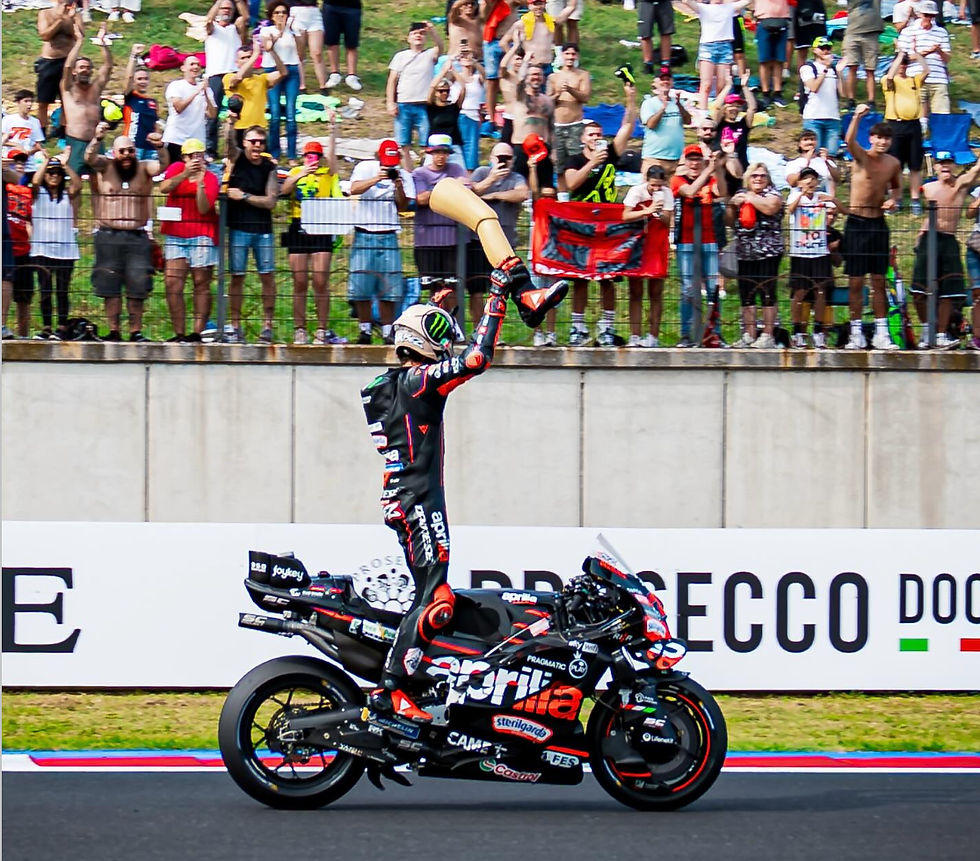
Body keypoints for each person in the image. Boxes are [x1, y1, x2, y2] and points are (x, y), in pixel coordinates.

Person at [361, 193, 563, 723]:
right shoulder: (414, 381)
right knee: (436, 600)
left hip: (411, 498)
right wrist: (496, 295)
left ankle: (413, 678)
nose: (444, 347)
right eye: (438, 339)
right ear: (418, 341)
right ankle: (393, 689)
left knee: (436, 597)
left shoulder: (398, 384)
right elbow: (476, 358)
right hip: (418, 501)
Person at [563, 80, 638, 346]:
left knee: (608, 279)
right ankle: (578, 327)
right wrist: (591, 164)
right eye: (591, 135)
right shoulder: (574, 158)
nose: (596, 138)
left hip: (608, 226)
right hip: (582, 225)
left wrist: (630, 99)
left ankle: (607, 327)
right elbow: (570, 184)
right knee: (581, 279)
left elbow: (627, 127)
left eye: (598, 134)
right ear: (583, 138)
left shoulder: (610, 154)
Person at [84, 125, 168, 341]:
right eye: (122, 151)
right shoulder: (106, 166)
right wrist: (97, 138)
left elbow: (162, 166)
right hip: (108, 235)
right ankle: (114, 330)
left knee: (138, 285)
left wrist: (160, 147)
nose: (127, 155)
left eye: (130, 150)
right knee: (108, 285)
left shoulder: (144, 168)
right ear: (114, 152)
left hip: (136, 236)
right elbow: (90, 159)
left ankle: (135, 331)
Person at [842, 103, 901, 351]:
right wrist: (856, 116)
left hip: (878, 223)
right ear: (872, 138)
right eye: (879, 138)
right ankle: (856, 332)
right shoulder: (862, 156)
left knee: (878, 280)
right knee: (856, 281)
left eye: (887, 139)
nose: (883, 142)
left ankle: (882, 332)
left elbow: (897, 188)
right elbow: (848, 140)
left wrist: (894, 200)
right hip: (856, 222)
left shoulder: (893, 164)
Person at [347, 138, 416, 345]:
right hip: (364, 232)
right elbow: (354, 189)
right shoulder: (365, 168)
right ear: (378, 157)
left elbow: (403, 206)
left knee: (390, 286)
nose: (389, 167)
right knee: (361, 285)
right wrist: (376, 179)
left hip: (388, 233)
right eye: (386, 163)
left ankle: (388, 331)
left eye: (392, 163)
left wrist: (398, 186)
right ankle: (364, 330)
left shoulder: (403, 175)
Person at [280, 133, 344, 345]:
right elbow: (284, 190)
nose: (312, 160)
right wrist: (300, 174)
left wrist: (333, 129)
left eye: (316, 156)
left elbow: (334, 160)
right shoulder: (296, 172)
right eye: (308, 156)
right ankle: (300, 328)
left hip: (321, 224)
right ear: (303, 158)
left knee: (320, 280)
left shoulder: (327, 174)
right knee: (299, 281)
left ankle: (321, 329)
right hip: (298, 224)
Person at [910, 153, 980, 349]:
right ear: (936, 166)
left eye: (948, 163)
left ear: (954, 166)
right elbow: (930, 214)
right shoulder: (929, 187)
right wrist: (919, 237)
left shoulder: (960, 185)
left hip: (949, 239)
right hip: (929, 237)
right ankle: (926, 331)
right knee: (919, 290)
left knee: (949, 291)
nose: (945, 167)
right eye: (941, 164)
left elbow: (975, 170)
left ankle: (941, 334)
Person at [158, 138, 219, 343]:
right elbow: (164, 188)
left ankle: (197, 332)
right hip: (176, 232)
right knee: (172, 283)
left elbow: (204, 208)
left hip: (202, 232)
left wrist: (200, 183)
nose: (196, 159)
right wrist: (186, 174)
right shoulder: (176, 168)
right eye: (192, 156)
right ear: (184, 157)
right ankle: (180, 332)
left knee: (201, 283)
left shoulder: (210, 177)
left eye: (199, 155)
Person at [224, 124, 280, 343]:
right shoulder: (237, 159)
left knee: (267, 276)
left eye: (261, 142)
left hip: (262, 230)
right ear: (245, 143)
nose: (257, 146)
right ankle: (235, 325)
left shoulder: (269, 168)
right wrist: (230, 122)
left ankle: (268, 325)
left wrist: (244, 196)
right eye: (252, 141)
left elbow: (271, 201)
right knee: (237, 277)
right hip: (238, 228)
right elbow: (228, 144)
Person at [466, 142, 528, 327]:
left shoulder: (516, 177)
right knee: (477, 289)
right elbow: (470, 192)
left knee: (501, 290)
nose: (503, 162)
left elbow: (522, 194)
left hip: (505, 244)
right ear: (491, 158)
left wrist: (494, 196)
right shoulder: (482, 172)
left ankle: (493, 330)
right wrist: (491, 180)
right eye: (499, 157)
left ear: (513, 160)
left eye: (507, 158)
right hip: (479, 240)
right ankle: (478, 329)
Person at [671, 144, 727, 347]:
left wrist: (718, 169)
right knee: (688, 289)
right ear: (685, 162)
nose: (694, 163)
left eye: (698, 159)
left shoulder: (710, 178)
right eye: (691, 159)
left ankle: (714, 332)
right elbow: (690, 191)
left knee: (713, 288)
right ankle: (687, 333)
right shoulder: (678, 180)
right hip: (686, 241)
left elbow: (720, 191)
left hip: (709, 240)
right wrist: (708, 171)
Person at [726, 162, 785, 348]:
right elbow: (728, 221)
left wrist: (748, 198)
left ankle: (768, 334)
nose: (758, 178)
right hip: (745, 252)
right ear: (748, 178)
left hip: (768, 252)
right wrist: (731, 205)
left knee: (767, 292)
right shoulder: (740, 195)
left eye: (762, 175)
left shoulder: (773, 194)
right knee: (746, 294)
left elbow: (770, 208)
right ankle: (749, 333)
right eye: (754, 176)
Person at [30, 153, 82, 341]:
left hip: (65, 250)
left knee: (62, 290)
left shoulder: (66, 195)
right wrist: (46, 162)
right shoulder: (38, 194)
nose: (54, 176)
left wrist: (65, 165)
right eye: (51, 173)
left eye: (57, 173)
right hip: (42, 249)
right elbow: (35, 181)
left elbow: (78, 184)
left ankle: (61, 327)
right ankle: (46, 327)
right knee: (45, 290)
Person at [786, 166, 838, 348]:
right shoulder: (794, 196)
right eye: (805, 178)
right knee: (799, 292)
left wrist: (831, 199)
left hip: (819, 252)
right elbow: (790, 210)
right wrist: (801, 194)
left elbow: (842, 211)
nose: (809, 181)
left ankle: (818, 330)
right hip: (800, 252)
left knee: (820, 291)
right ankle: (797, 331)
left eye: (813, 178)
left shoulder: (821, 197)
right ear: (799, 182)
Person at [622, 165, 673, 347]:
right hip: (638, 243)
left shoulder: (667, 193)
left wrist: (659, 212)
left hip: (657, 242)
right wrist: (647, 210)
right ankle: (635, 336)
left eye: (660, 185)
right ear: (647, 181)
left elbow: (668, 221)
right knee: (635, 291)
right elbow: (625, 215)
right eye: (653, 185)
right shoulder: (636, 191)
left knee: (656, 293)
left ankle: (653, 337)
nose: (656, 189)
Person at [412, 133, 469, 291]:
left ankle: (452, 317)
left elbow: (465, 192)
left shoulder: (456, 169)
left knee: (452, 289)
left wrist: (434, 192)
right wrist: (448, 187)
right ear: (429, 153)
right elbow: (421, 198)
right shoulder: (419, 173)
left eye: (444, 153)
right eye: (437, 152)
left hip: (452, 240)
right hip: (427, 241)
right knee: (433, 289)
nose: (441, 156)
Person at [388, 22, 444, 171]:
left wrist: (432, 31)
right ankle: (408, 174)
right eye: (415, 33)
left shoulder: (429, 54)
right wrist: (390, 102)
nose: (418, 36)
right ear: (408, 38)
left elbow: (441, 47)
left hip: (424, 105)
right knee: (403, 144)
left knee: (427, 143)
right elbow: (392, 80)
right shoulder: (400, 56)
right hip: (403, 104)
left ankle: (424, 171)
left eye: (421, 34)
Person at [60, 16, 113, 176]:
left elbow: (108, 66)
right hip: (75, 141)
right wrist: (79, 42)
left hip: (96, 141)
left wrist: (102, 43)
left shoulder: (95, 88)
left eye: (88, 67)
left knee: (98, 183)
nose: (85, 70)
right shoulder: (68, 87)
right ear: (75, 71)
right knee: (74, 187)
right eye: (82, 67)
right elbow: (68, 66)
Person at [677, 0, 749, 112]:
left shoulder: (729, 8)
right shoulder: (703, 8)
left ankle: (718, 112)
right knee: (706, 84)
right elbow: (687, 1)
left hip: (725, 48)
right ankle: (703, 113)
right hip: (707, 47)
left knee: (722, 85)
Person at [883, 49, 929, 215]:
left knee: (915, 164)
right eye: (900, 64)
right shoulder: (889, 80)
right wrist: (899, 57)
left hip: (913, 125)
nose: (902, 66)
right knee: (896, 165)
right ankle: (896, 199)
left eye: (905, 64)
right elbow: (889, 76)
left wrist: (918, 55)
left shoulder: (913, 80)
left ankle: (915, 199)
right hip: (896, 125)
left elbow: (926, 71)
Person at [204, 0, 249, 158]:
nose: (226, 11)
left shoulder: (235, 28)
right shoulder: (212, 28)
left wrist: (237, 2)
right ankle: (210, 149)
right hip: (215, 74)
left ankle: (237, 148)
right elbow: (208, 21)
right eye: (224, 8)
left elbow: (246, 18)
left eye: (229, 9)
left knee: (238, 111)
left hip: (233, 74)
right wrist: (218, 3)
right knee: (212, 113)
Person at [896, 1, 951, 129]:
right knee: (917, 117)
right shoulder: (908, 32)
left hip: (938, 78)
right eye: (926, 15)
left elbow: (947, 59)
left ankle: (941, 142)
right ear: (920, 14)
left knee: (942, 115)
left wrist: (938, 51)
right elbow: (903, 58)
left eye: (931, 16)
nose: (929, 18)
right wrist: (923, 54)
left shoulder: (941, 32)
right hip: (915, 76)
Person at [223, 43, 287, 148]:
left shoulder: (262, 79)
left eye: (249, 56)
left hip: (259, 128)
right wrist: (255, 55)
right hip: (240, 128)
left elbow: (283, 72)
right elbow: (238, 78)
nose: (247, 60)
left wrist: (272, 51)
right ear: (237, 62)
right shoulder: (228, 77)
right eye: (243, 58)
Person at [547, 43, 591, 193]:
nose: (570, 57)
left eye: (573, 54)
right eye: (567, 54)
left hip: (575, 126)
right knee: (558, 165)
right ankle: (562, 196)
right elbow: (548, 102)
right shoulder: (553, 77)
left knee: (576, 162)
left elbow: (585, 97)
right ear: (562, 56)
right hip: (558, 126)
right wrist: (558, 93)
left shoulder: (583, 75)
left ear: (577, 56)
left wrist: (571, 90)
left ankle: (577, 193)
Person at [504, 60, 555, 190]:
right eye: (532, 74)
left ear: (543, 78)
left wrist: (553, 150)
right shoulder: (520, 96)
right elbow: (520, 80)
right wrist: (526, 60)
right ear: (526, 78)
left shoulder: (548, 101)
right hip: (521, 147)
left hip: (542, 148)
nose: (536, 77)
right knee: (518, 184)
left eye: (538, 74)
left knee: (544, 187)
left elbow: (551, 127)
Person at [261, 1, 302, 162]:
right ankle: (275, 152)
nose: (281, 15)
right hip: (272, 70)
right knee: (275, 113)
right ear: (272, 15)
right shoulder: (266, 30)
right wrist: (278, 33)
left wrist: (293, 31)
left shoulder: (292, 30)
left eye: (283, 12)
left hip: (291, 70)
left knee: (291, 113)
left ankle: (292, 153)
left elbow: (301, 50)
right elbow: (268, 47)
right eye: (277, 13)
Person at [162, 57, 218, 165]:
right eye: (192, 64)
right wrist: (196, 91)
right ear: (183, 68)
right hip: (176, 138)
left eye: (198, 64)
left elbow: (212, 114)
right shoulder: (176, 86)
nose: (196, 67)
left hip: (197, 140)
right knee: (174, 172)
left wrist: (205, 93)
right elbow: (179, 108)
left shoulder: (206, 89)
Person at [3, 152, 34, 339]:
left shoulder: (19, 184)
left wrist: (6, 168)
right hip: (8, 239)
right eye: (15, 161)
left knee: (23, 296)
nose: (19, 165)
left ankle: (20, 334)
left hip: (18, 245)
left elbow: (17, 178)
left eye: (22, 162)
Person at [36, 0, 78, 134]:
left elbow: (78, 36)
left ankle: (62, 131)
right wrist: (60, 20)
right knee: (43, 101)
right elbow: (44, 35)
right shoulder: (45, 14)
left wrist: (70, 19)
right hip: (49, 61)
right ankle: (41, 132)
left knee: (67, 99)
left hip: (68, 62)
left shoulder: (76, 15)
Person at [639, 71, 689, 178]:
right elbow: (651, 125)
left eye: (668, 79)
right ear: (655, 83)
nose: (666, 81)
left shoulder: (678, 102)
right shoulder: (649, 103)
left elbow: (688, 121)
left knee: (673, 194)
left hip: (677, 159)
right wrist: (663, 108)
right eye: (662, 79)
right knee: (651, 192)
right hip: (654, 158)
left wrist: (679, 105)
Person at [799, 36, 841, 155]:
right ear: (815, 50)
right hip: (813, 117)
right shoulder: (808, 67)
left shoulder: (834, 69)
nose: (826, 51)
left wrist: (840, 73)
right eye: (822, 48)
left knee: (831, 156)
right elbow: (813, 87)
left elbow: (844, 93)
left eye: (828, 48)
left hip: (833, 117)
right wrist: (825, 69)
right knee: (812, 154)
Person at [841, 0, 883, 112]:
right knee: (852, 66)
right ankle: (850, 100)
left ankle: (871, 101)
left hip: (872, 32)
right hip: (852, 31)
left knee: (870, 69)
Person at [481, 0, 518, 123]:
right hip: (492, 41)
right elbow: (483, 18)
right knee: (492, 81)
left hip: (510, 42)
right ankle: (491, 119)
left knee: (512, 78)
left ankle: (514, 114)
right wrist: (490, 4)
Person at [121, 45, 160, 161]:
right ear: (134, 81)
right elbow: (128, 77)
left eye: (145, 79)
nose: (143, 82)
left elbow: (155, 124)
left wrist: (158, 142)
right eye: (139, 79)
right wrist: (134, 56)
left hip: (150, 148)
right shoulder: (130, 97)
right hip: (133, 146)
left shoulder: (152, 102)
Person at [754, 0, 792, 109]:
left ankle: (777, 92)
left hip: (782, 19)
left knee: (779, 60)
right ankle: (766, 93)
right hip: (763, 19)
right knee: (764, 61)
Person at [712, 81, 756, 173]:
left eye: (737, 106)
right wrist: (728, 86)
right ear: (725, 108)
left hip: (741, 167)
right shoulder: (719, 124)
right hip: (720, 167)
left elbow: (752, 108)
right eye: (731, 105)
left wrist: (744, 87)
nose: (735, 108)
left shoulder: (743, 124)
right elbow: (717, 107)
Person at [455, 46, 487, 172]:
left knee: (472, 147)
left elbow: (486, 75)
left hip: (473, 116)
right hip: (458, 114)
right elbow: (445, 71)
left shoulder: (477, 78)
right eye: (464, 56)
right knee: (458, 147)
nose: (466, 58)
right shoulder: (454, 76)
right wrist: (456, 56)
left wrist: (473, 60)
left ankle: (470, 174)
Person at [426, 70, 466, 168]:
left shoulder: (454, 107)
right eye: (441, 91)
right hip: (435, 147)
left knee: (460, 176)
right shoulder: (431, 107)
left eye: (447, 91)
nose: (444, 93)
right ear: (436, 93)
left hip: (453, 145)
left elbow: (463, 89)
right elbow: (432, 87)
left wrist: (453, 71)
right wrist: (443, 71)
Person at [785, 128, 841, 195]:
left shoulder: (827, 161)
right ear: (799, 144)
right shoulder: (793, 163)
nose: (810, 142)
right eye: (805, 140)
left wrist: (826, 162)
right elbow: (792, 183)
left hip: (825, 200)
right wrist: (807, 162)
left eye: (812, 139)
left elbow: (837, 179)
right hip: (801, 201)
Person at [323, 0, 363, 91]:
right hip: (331, 6)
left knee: (352, 43)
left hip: (353, 7)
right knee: (332, 42)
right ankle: (334, 74)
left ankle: (351, 76)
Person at [2, 91, 46, 172]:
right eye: (26, 101)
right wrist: (16, 145)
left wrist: (28, 152)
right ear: (18, 103)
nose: (29, 104)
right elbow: (3, 140)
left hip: (27, 163)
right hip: (9, 159)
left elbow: (38, 144)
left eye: (31, 101)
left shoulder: (35, 122)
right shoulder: (8, 119)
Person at [290, 0, 328, 93]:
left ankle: (323, 86)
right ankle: (301, 86)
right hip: (297, 12)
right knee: (299, 54)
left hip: (314, 13)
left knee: (317, 53)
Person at [637, 0, 676, 76]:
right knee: (645, 33)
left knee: (666, 32)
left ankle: (666, 63)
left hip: (664, 2)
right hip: (645, 2)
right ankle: (648, 64)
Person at [790, 0, 828, 77]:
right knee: (803, 48)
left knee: (821, 46)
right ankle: (801, 78)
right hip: (802, 12)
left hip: (817, 12)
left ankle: (822, 74)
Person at [964, 188, 980, 350]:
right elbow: (968, 214)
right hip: (976, 248)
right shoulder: (979, 191)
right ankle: (977, 338)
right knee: (977, 293)